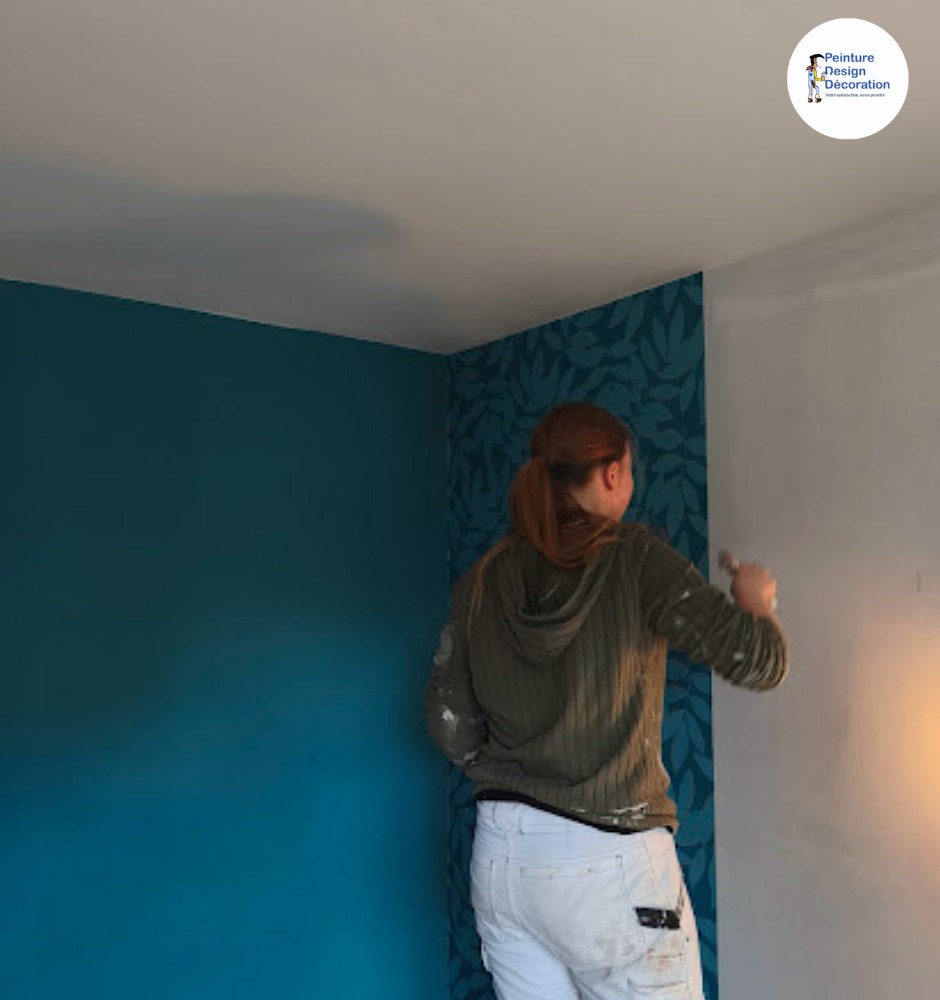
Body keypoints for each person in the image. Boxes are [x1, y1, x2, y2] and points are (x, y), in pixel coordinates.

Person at [425, 401, 787, 1000]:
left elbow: (447, 723)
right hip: (608, 857)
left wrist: (511, 769)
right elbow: (759, 660)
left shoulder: (483, 579)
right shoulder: (635, 559)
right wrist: (757, 599)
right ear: (612, 474)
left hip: (504, 860)